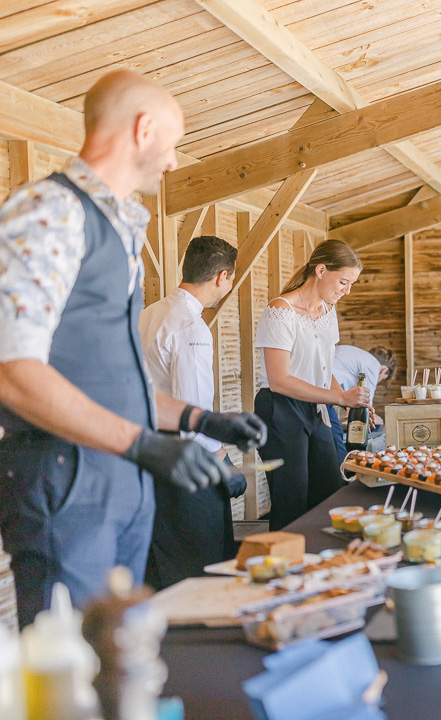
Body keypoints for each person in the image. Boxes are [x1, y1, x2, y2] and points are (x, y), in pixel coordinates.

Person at [0, 70, 266, 627]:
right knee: (68, 669)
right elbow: (12, 370)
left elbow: (116, 382)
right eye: (173, 143)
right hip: (67, 483)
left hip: (122, 481)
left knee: (124, 654)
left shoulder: (120, 230)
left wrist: (203, 419)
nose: (173, 162)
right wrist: (143, 444)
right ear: (144, 129)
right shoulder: (49, 212)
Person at [139, 235, 249, 588]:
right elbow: (194, 410)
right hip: (182, 455)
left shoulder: (147, 315)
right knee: (199, 558)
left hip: (143, 449)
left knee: (158, 554)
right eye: (231, 279)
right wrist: (223, 461)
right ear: (221, 277)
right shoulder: (192, 328)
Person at [254, 239, 369, 530]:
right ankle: (284, 568)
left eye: (351, 284)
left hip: (316, 409)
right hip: (279, 408)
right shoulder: (280, 310)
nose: (347, 291)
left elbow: (323, 369)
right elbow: (279, 380)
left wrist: (344, 396)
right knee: (291, 500)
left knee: (329, 491)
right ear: (320, 270)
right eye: (343, 281)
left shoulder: (328, 312)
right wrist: (339, 399)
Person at [329, 345, 396, 464]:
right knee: (336, 439)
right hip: (323, 390)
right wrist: (377, 418)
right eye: (381, 379)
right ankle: (342, 474)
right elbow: (366, 403)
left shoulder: (357, 356)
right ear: (384, 370)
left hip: (321, 389)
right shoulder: (373, 365)